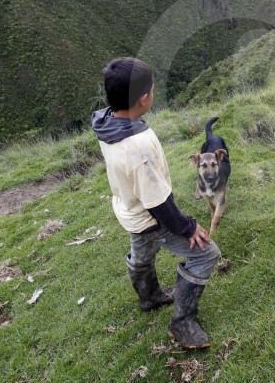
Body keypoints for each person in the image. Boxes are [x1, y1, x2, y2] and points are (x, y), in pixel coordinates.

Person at [91, 57, 220, 349]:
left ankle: (149, 297)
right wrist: (188, 227)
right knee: (207, 254)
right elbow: (158, 202)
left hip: (129, 210)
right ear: (144, 97)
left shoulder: (106, 121)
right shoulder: (137, 149)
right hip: (151, 217)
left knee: (142, 253)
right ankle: (182, 322)